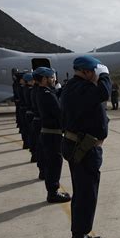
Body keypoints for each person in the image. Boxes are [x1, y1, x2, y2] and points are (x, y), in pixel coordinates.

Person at [61, 55, 111, 238]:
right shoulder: (82, 88)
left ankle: (82, 233)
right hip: (84, 149)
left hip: (81, 147)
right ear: (88, 72)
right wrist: (105, 74)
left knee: (84, 193)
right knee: (85, 194)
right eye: (96, 73)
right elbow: (104, 92)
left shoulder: (75, 87)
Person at [35, 67, 71, 203]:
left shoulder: (42, 92)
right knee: (54, 164)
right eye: (51, 77)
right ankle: (53, 193)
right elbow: (59, 112)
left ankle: (52, 191)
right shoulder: (47, 95)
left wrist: (59, 90)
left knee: (51, 163)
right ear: (44, 79)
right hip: (52, 134)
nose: (54, 79)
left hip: (47, 133)